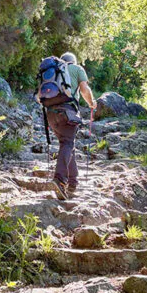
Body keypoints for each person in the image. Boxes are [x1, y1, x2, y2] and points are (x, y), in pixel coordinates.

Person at [46, 52, 96, 200]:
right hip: (67, 112)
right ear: (73, 61)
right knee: (67, 143)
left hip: (51, 114)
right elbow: (84, 89)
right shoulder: (77, 69)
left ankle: (73, 182)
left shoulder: (53, 71)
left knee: (67, 144)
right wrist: (91, 103)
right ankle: (60, 180)